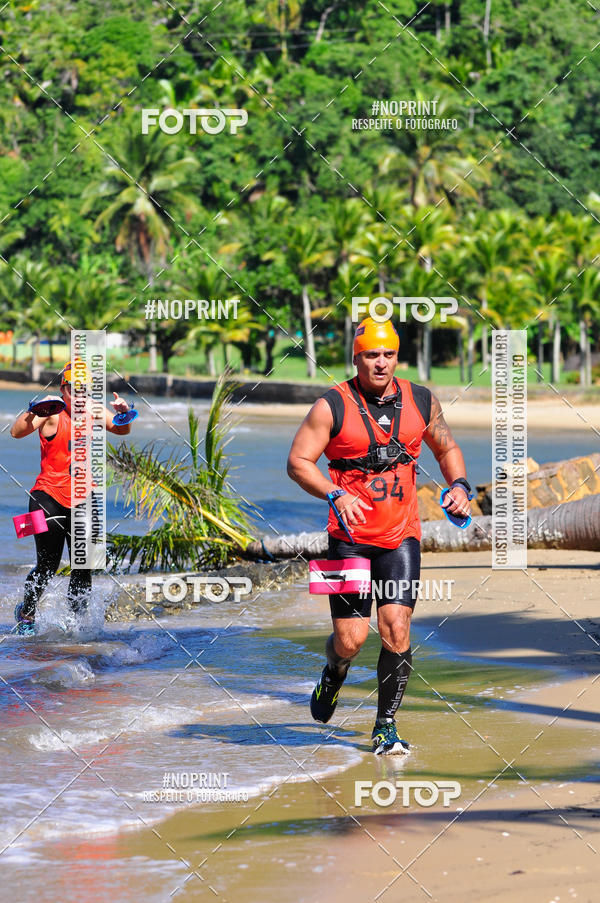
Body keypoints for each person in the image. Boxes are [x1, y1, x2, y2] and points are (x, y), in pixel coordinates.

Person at [287, 317, 472, 755]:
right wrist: (334, 492)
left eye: (389, 354)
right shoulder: (331, 405)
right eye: (372, 355)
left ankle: (385, 726)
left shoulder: (421, 400)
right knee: (351, 639)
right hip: (346, 538)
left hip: (400, 535)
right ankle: (333, 674)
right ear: (357, 358)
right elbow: (298, 462)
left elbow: (445, 448)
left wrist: (460, 487)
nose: (382, 363)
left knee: (397, 629)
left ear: (397, 357)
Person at [10, 360, 135, 635]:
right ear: (62, 388)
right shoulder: (50, 411)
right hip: (45, 496)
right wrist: (32, 411)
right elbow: (16, 432)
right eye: (71, 388)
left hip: (83, 497)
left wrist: (125, 413)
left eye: (83, 389)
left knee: (84, 565)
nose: (78, 394)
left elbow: (120, 429)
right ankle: (27, 613)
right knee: (47, 565)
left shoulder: (93, 410)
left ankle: (76, 625)